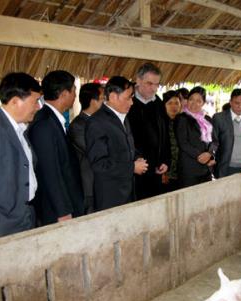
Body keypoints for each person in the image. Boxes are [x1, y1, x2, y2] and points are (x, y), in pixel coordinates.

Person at [28, 70, 84, 225]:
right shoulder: (45, 124)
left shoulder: (53, 120)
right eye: (74, 90)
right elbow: (50, 171)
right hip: (56, 210)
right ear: (64, 94)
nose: (75, 95)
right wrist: (63, 210)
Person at [86, 76, 148, 211]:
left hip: (128, 191)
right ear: (113, 97)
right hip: (111, 196)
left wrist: (137, 157)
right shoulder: (97, 122)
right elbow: (99, 164)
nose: (132, 102)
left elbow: (126, 147)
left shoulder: (123, 117)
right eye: (128, 98)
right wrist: (131, 167)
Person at [0, 72, 41, 236]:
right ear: (15, 101)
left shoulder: (21, 129)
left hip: (26, 216)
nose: (38, 107)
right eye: (35, 101)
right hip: (5, 225)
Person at [127, 63, 169, 200]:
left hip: (155, 169)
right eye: (149, 83)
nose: (154, 88)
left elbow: (165, 134)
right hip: (133, 169)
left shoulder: (158, 103)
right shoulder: (128, 103)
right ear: (138, 81)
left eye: (157, 84)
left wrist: (164, 160)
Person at [68, 83, 104, 214]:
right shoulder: (77, 125)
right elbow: (95, 151)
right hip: (89, 186)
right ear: (93, 101)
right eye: (102, 99)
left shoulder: (101, 121)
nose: (104, 103)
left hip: (102, 184)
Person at [175, 86, 216, 187]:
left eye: (198, 101)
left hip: (206, 169)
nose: (194, 103)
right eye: (191, 99)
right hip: (189, 169)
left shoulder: (207, 119)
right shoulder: (181, 118)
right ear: (187, 100)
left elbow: (215, 141)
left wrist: (210, 154)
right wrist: (202, 156)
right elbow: (183, 143)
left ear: (203, 103)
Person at [212, 89, 241, 178]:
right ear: (230, 102)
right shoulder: (219, 118)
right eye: (237, 103)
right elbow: (214, 141)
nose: (240, 106)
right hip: (226, 167)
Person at [161, 90, 182, 192]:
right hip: (167, 174)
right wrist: (163, 173)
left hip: (182, 173)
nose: (174, 107)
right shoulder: (160, 124)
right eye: (170, 103)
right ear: (164, 105)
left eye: (176, 103)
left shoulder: (183, 122)